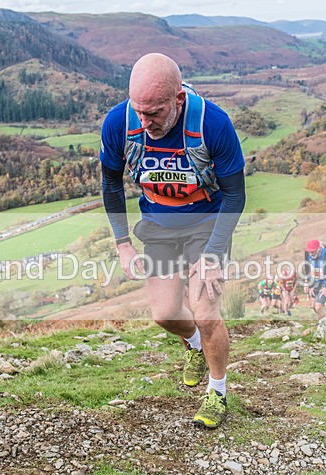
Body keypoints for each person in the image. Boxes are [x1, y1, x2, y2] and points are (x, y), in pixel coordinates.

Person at [100, 53, 246, 429]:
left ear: (178, 99)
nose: (145, 123)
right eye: (139, 111)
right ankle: (195, 346)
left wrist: (213, 253)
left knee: (205, 310)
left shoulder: (212, 123)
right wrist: (122, 243)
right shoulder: (120, 122)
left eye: (155, 113)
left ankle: (217, 392)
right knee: (164, 313)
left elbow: (235, 195)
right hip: (159, 225)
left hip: (205, 224)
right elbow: (110, 182)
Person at [302, 239, 326, 320]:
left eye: (313, 251)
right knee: (313, 306)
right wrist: (310, 285)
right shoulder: (307, 253)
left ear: (318, 248)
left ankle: (325, 326)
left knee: (318, 307)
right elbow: (307, 267)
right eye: (310, 252)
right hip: (316, 280)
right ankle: (324, 321)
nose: (311, 254)